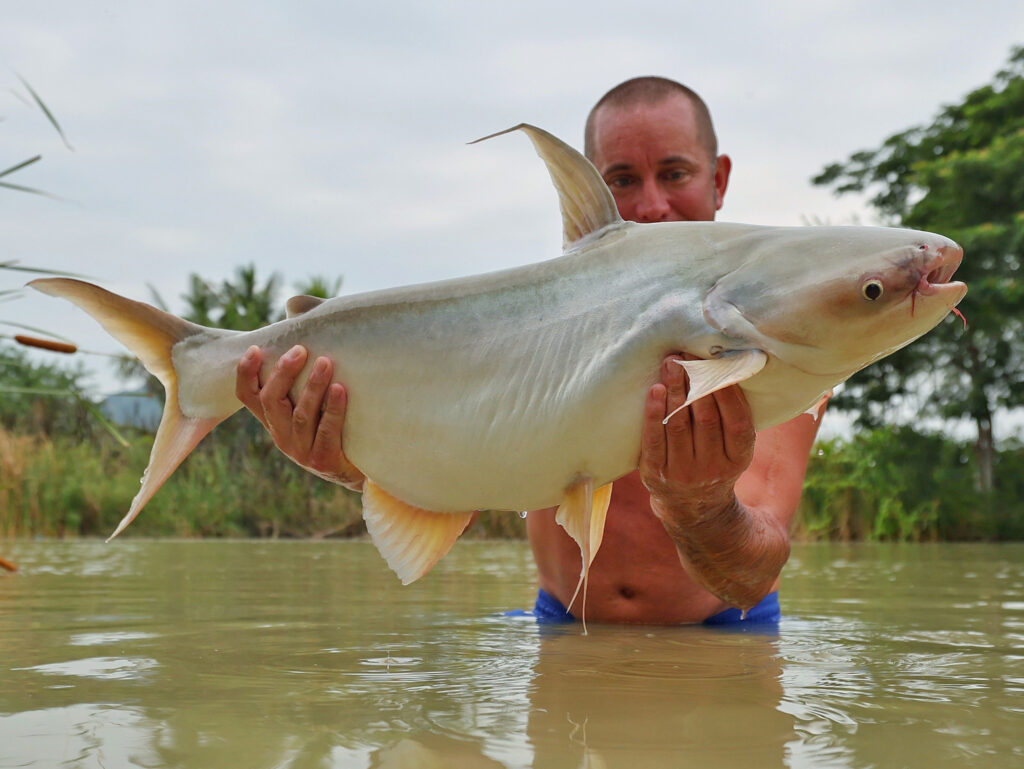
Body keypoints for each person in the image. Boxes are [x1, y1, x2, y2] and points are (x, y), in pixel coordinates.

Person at [234, 77, 825, 625]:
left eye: (674, 174)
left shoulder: (775, 330)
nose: (649, 207)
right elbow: (463, 467)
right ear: (588, 186)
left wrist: (701, 505)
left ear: (718, 179)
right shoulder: (534, 321)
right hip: (560, 627)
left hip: (725, 638)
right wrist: (353, 463)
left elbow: (752, 574)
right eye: (620, 179)